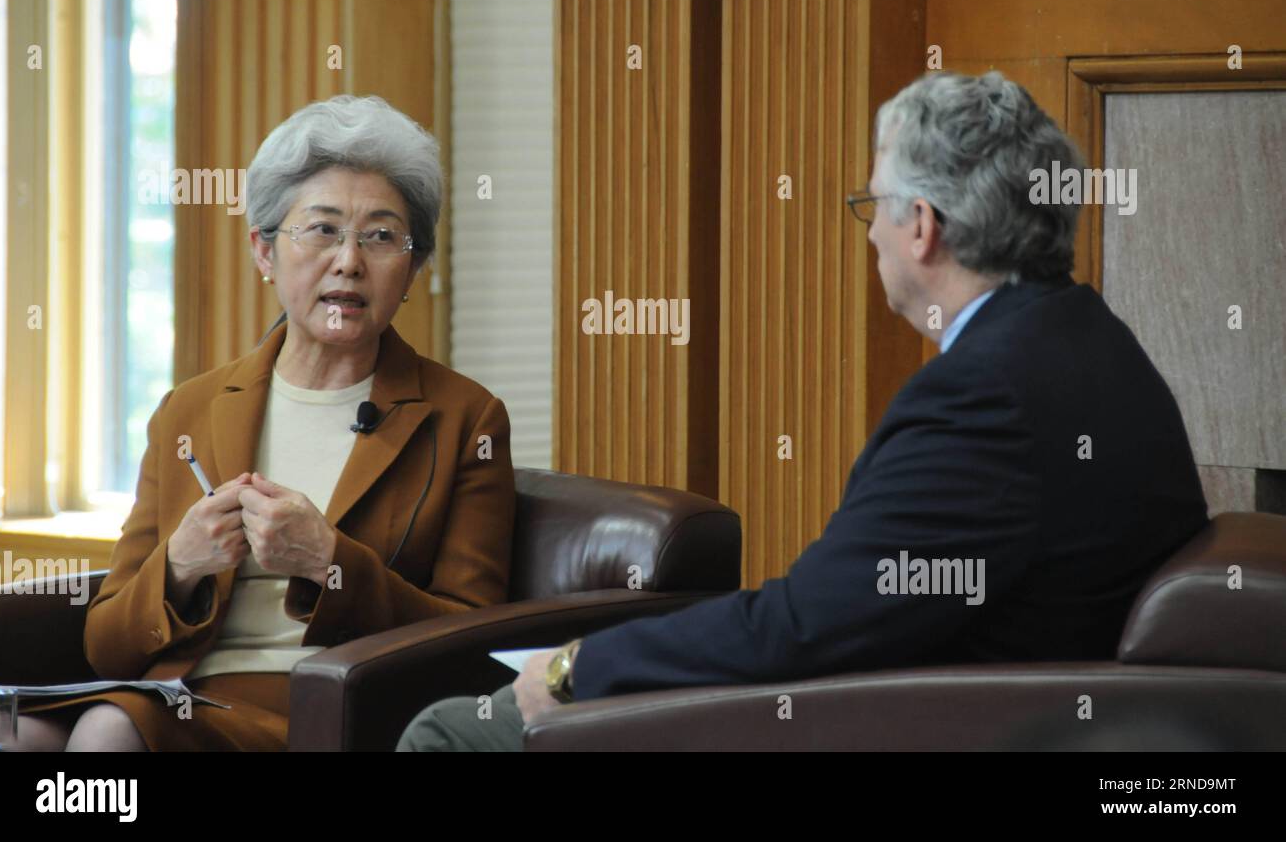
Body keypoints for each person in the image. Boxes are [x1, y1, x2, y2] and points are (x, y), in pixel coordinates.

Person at [397, 70, 1209, 751]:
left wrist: (577, 668)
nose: (871, 236)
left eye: (874, 206)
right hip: (989, 708)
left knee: (451, 733)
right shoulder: (1094, 341)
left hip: (909, 726)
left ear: (921, 225)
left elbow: (804, 630)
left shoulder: (985, 395)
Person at [10, 96, 516, 751]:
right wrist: (180, 566)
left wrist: (330, 562)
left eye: (382, 236)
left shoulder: (464, 419)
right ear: (265, 251)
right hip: (178, 694)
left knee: (104, 737)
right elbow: (106, 643)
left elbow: (475, 643)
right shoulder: (188, 411)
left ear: (414, 268)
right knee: (14, 736)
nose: (349, 261)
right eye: (323, 229)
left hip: (328, 709)